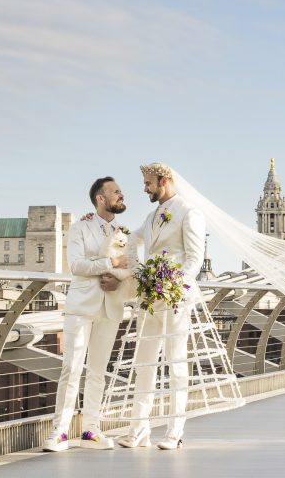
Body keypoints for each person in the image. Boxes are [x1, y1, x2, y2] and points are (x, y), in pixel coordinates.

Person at [116, 162, 205, 450]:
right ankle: (138, 430)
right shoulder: (152, 215)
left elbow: (194, 258)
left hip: (176, 298)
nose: (144, 189)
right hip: (150, 299)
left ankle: (174, 431)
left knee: (176, 363)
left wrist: (174, 285)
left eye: (148, 183)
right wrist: (141, 274)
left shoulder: (189, 212)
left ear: (163, 181)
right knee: (145, 362)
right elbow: (133, 238)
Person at [42, 177, 128, 452]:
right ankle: (60, 431)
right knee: (72, 368)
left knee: (98, 371)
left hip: (111, 306)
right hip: (81, 307)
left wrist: (117, 278)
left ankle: (92, 429)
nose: (121, 194)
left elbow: (130, 268)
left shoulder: (124, 234)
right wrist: (111, 263)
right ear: (100, 199)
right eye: (115, 192)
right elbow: (76, 265)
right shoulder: (80, 227)